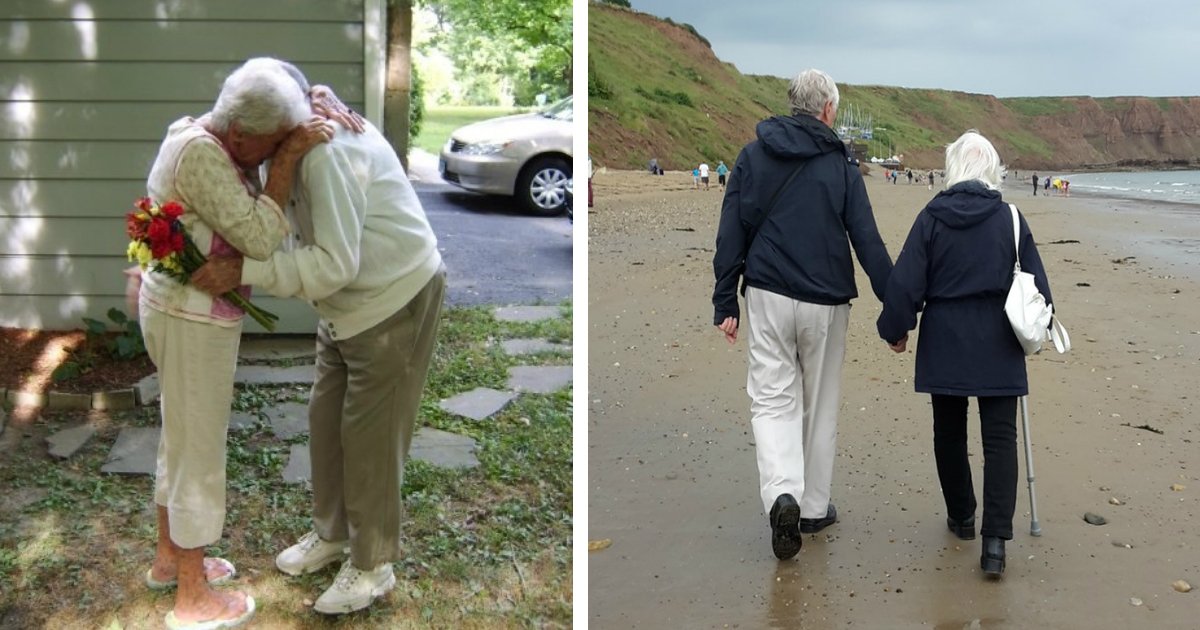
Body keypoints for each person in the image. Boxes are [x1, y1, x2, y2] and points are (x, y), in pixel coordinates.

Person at [192, 60, 446, 615]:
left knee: (371, 440)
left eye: (242, 141)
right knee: (326, 422)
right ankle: (333, 536)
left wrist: (245, 272)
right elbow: (279, 73)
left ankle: (373, 563)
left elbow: (333, 265)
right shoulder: (293, 127)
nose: (234, 148)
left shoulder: (325, 156)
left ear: (276, 128)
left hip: (392, 298)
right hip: (345, 310)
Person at [138, 58, 332, 629]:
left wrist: (311, 101)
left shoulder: (200, 135)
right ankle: (193, 598)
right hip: (190, 318)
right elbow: (259, 237)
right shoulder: (201, 152)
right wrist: (290, 162)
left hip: (182, 312)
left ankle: (171, 560)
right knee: (197, 452)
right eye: (271, 144)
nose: (275, 153)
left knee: (180, 439)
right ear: (242, 132)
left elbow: (285, 80)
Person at [711, 68, 893, 560]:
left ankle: (782, 495)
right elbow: (868, 241)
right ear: (829, 110)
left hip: (768, 293)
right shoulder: (840, 165)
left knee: (772, 398)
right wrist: (896, 306)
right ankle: (811, 507)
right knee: (820, 400)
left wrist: (724, 298)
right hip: (826, 301)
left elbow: (732, 229)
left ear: (794, 104)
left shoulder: (752, 156)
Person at [876, 130, 1054, 579]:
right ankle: (995, 544)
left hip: (947, 341)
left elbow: (905, 282)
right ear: (992, 169)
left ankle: (962, 516)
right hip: (999, 342)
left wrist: (895, 330)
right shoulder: (1010, 219)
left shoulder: (931, 218)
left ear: (953, 168)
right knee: (1000, 441)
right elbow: (1038, 287)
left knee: (949, 434)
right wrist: (1042, 328)